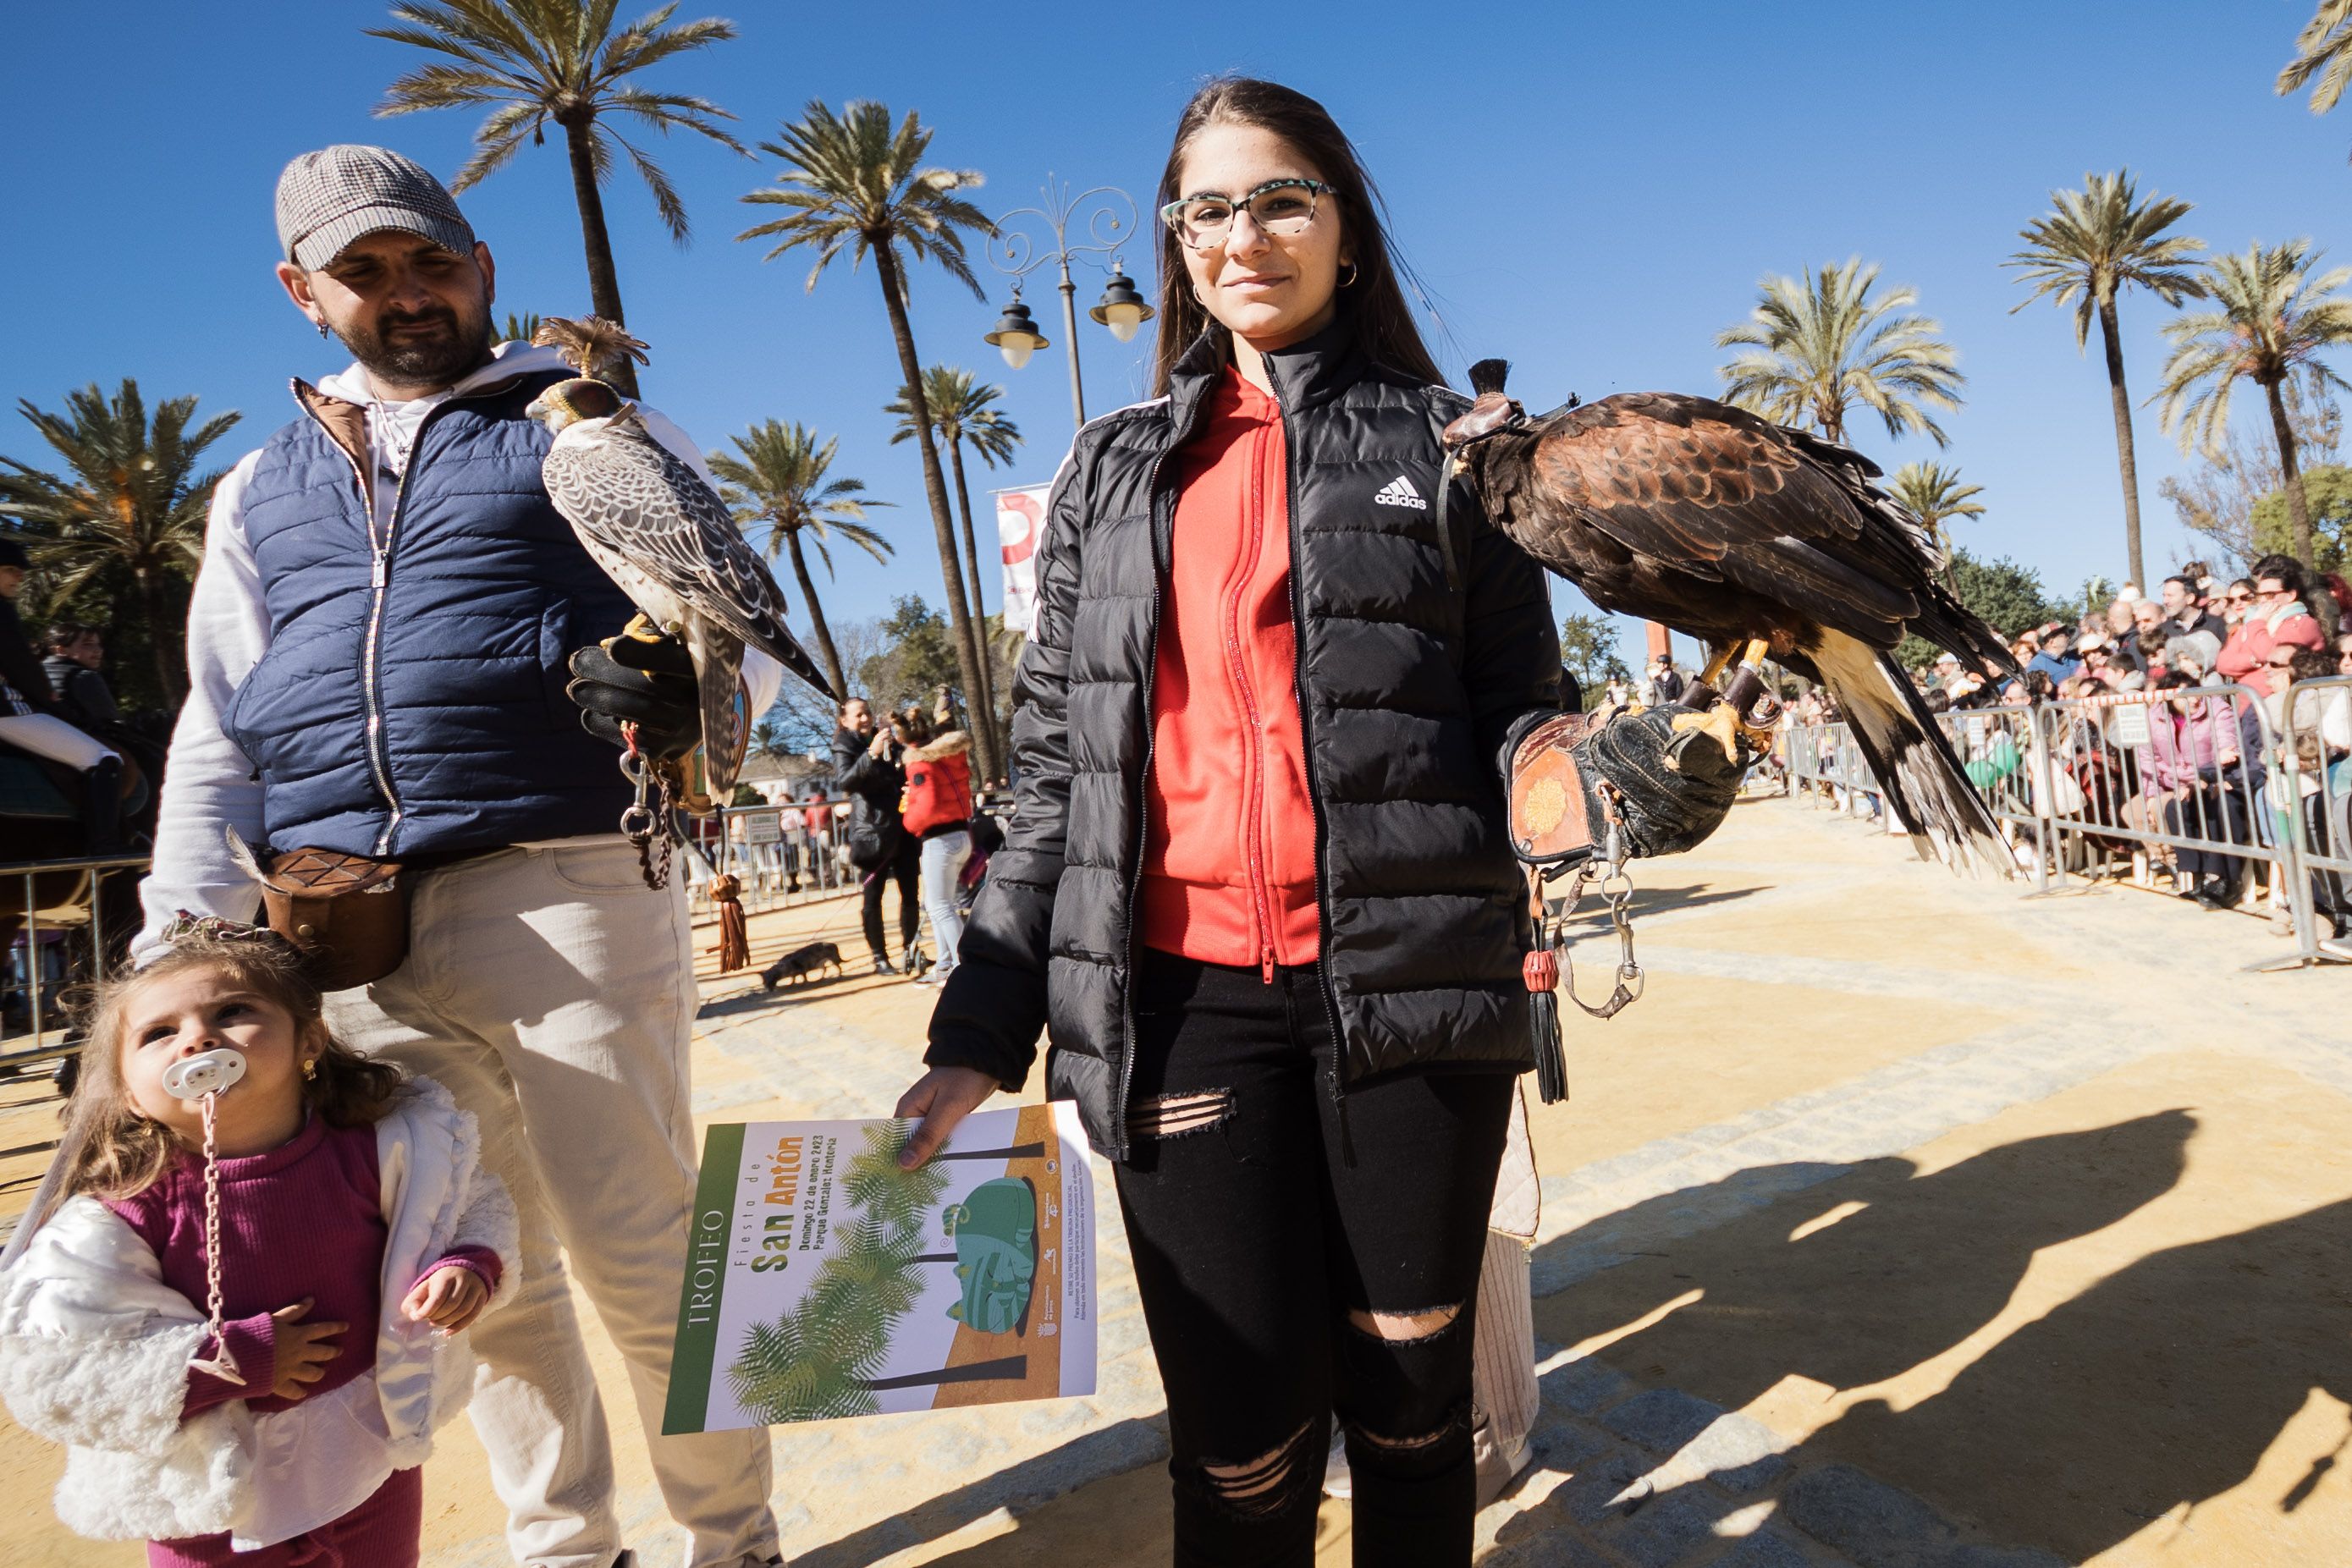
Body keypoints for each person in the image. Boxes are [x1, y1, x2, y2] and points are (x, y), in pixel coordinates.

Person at [895, 78, 1740, 1568]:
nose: (1243, 233)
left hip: (1414, 997)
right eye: (1206, 207)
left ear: (1345, 228)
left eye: (1279, 196)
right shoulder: (1106, 473)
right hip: (1175, 1010)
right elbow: (1050, 786)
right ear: (1172, 242)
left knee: (1414, 1419)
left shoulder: (1462, 447)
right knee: (1237, 1446)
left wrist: (1605, 773)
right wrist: (974, 1029)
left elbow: (1515, 712)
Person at [129, 146, 785, 1567]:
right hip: (344, 931)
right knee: (468, 1265)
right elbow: (215, 721)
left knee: (642, 1240)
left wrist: (693, 703)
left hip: (566, 887)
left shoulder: (590, 424)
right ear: (305, 294)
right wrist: (173, 936)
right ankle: (567, 1544)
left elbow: (726, 620)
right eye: (364, 273)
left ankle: (731, 1539)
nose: (407, 295)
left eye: (431, 261)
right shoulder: (257, 488)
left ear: (480, 265)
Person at [0, 919, 513, 1566]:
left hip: (363, 1460)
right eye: (161, 1033)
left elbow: (467, 1206)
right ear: (129, 1092)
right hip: (214, 1503)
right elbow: (61, 1362)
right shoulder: (121, 1211)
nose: (199, 1037)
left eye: (233, 1010)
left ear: (310, 1039)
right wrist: (233, 1359)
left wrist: (469, 1264)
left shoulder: (387, 1147)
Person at [0, 541, 125, 852]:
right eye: (9, 570)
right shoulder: (1, 610)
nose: (18, 577)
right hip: (6, 714)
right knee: (105, 758)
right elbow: (21, 667)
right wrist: (52, 700)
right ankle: (106, 847)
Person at [834, 696, 923, 975]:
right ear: (845, 720)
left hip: (903, 828)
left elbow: (905, 770)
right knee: (873, 895)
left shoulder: (887, 739)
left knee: (910, 893)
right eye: (858, 715)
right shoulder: (844, 744)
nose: (865, 718)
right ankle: (879, 957)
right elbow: (846, 781)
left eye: (867, 713)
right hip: (872, 831)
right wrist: (871, 753)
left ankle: (910, 950)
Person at [898, 689, 976, 988]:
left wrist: (908, 818)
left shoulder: (920, 763)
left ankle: (960, 966)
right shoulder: (953, 757)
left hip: (938, 839)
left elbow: (926, 805)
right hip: (960, 833)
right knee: (938, 904)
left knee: (940, 906)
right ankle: (945, 964)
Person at [2161, 575, 2226, 643]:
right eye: (2164, 596)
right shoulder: (2163, 630)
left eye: (2170, 596)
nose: (2165, 601)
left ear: (2190, 598)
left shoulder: (2217, 624)